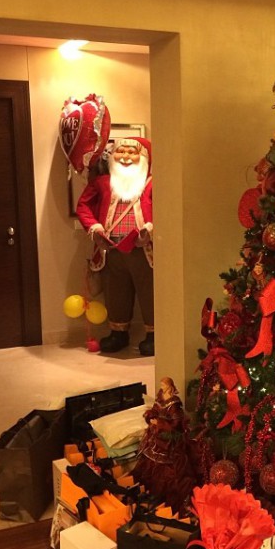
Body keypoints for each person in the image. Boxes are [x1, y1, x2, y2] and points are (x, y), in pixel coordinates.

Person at [76, 137, 154, 355]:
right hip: (111, 250)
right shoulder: (102, 183)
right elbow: (83, 206)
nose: (126, 157)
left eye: (132, 152)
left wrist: (151, 229)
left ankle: (154, 335)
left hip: (144, 251)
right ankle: (118, 333)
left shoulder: (154, 183)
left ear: (143, 157)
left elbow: (168, 209)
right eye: (121, 152)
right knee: (115, 291)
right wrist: (95, 228)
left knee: (149, 292)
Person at [132, 377, 198, 514]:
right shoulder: (160, 396)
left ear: (169, 385)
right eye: (161, 384)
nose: (161, 386)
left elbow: (175, 424)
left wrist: (160, 424)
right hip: (157, 433)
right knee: (149, 456)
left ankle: (163, 495)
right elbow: (155, 409)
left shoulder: (174, 404)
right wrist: (151, 415)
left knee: (167, 467)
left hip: (167, 437)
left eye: (163, 384)